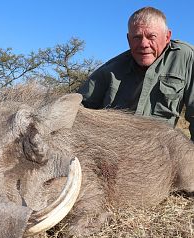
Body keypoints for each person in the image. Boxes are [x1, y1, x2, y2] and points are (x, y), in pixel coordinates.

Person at [79, 6, 194, 141]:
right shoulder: (111, 68)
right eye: (137, 37)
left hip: (159, 152)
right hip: (111, 149)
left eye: (151, 36)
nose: (143, 44)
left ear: (167, 36)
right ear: (128, 39)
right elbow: (78, 107)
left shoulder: (185, 57)